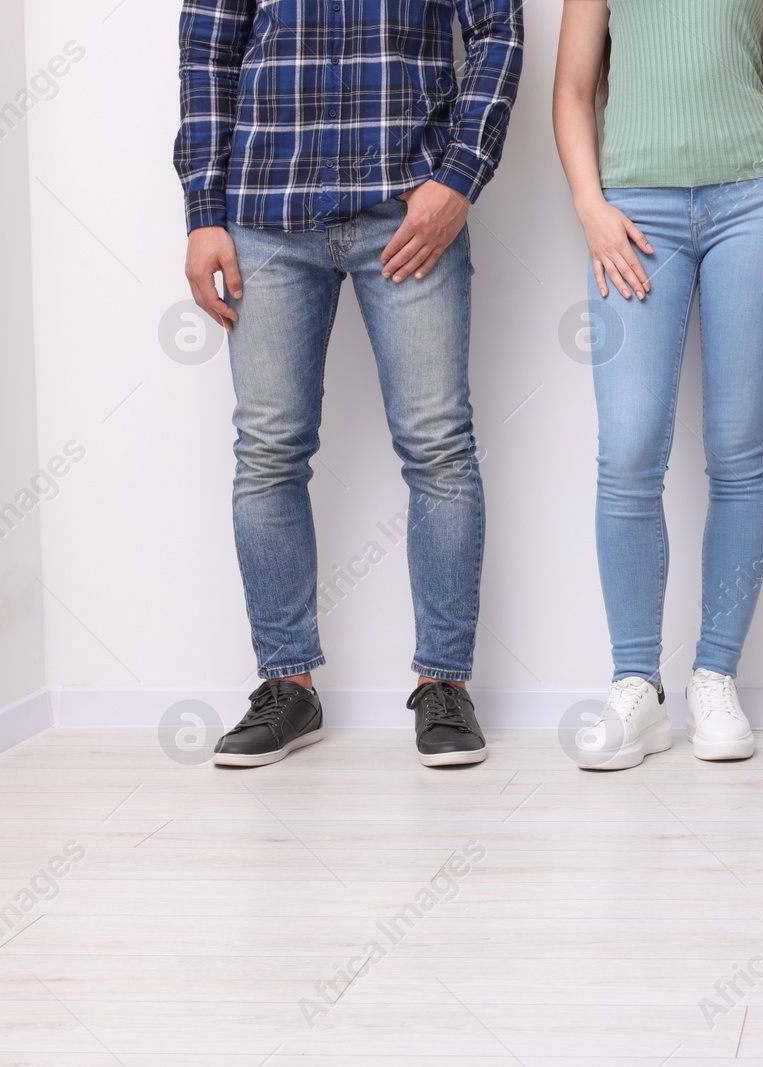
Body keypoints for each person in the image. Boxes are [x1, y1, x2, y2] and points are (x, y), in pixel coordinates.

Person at [175, 0, 524, 767]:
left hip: (407, 211)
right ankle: (287, 687)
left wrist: (460, 177)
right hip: (266, 213)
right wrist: (204, 211)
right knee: (268, 449)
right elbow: (207, 51)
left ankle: (445, 684)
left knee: (437, 444)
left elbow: (498, 28)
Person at [552, 0, 763, 770]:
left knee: (740, 450)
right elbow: (573, 90)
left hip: (761, 201)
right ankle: (636, 684)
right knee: (631, 449)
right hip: (635, 212)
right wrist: (590, 207)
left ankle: (715, 674)